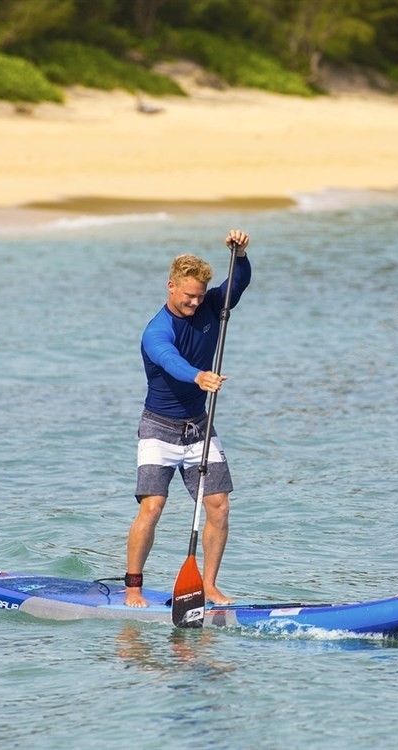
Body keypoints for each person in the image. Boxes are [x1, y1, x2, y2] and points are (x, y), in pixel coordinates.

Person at [124, 229, 251, 607]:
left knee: (219, 505)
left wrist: (241, 256)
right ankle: (133, 587)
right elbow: (170, 360)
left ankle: (209, 586)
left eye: (200, 295)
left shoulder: (212, 306)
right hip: (158, 428)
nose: (196, 303)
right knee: (153, 506)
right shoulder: (156, 331)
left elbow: (238, 285)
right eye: (188, 296)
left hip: (199, 426)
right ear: (171, 286)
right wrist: (197, 375)